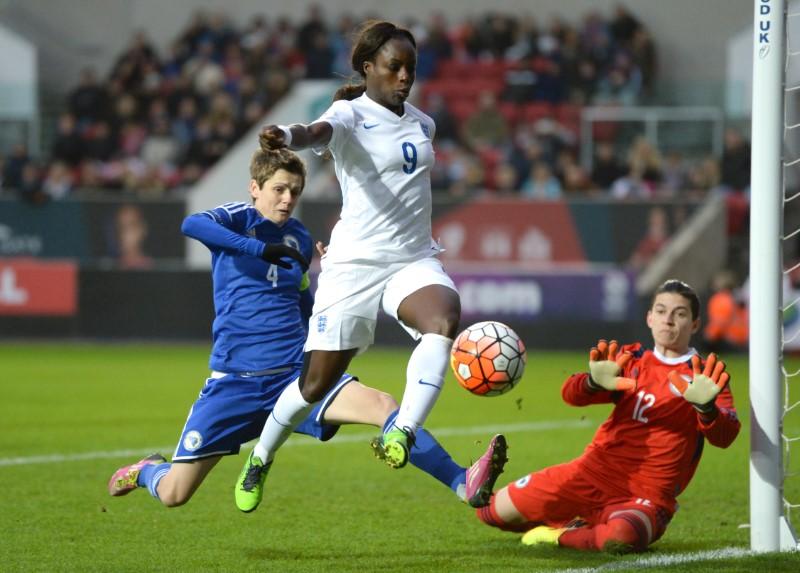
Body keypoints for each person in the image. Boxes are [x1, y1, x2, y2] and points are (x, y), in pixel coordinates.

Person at [107, 145, 506, 512]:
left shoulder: (299, 237)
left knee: (383, 405)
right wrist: (259, 248)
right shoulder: (236, 219)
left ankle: (460, 480)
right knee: (175, 493)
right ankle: (146, 471)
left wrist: (331, 278)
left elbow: (305, 306)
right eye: (279, 189)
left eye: (294, 191)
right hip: (235, 382)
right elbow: (191, 224)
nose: (287, 199)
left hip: (295, 374)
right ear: (255, 187)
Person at [235, 20, 463, 512]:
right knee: (315, 384)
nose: (405, 77)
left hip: (411, 258)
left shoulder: (424, 124)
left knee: (443, 319)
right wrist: (287, 136)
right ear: (368, 68)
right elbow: (314, 130)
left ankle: (401, 432)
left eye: (411, 68)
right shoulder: (350, 114)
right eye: (394, 67)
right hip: (355, 264)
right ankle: (261, 455)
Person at [475, 279, 740, 553]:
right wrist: (592, 382)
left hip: (645, 496)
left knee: (621, 538)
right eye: (661, 311)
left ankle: (559, 535)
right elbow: (570, 396)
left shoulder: (704, 376)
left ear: (695, 324)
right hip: (590, 473)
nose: (668, 320)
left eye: (680, 313)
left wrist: (706, 408)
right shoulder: (631, 359)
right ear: (649, 318)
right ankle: (577, 519)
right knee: (490, 512)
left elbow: (725, 436)